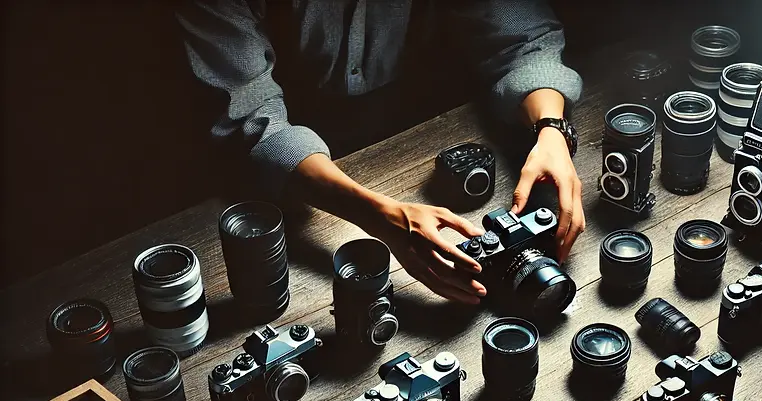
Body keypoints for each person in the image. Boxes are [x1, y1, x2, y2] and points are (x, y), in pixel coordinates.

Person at [177, 1, 585, 305]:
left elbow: (523, 36)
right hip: (262, 185)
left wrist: (551, 129)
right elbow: (250, 118)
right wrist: (379, 215)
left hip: (412, 122)